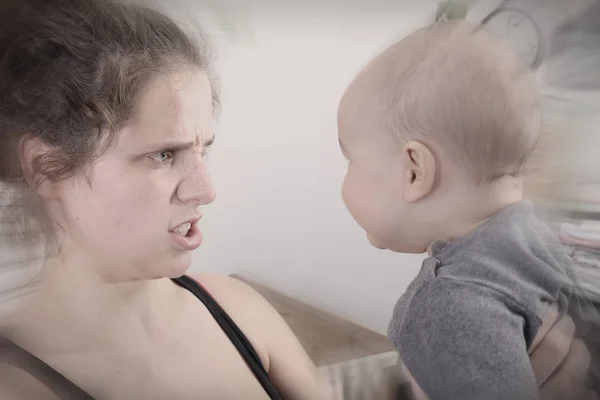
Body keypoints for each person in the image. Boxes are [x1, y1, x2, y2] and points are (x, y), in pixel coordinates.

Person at [0, 0, 592, 399]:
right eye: (163, 155)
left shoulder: (233, 308)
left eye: (205, 148)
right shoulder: (18, 381)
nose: (207, 188)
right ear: (47, 167)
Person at [336, 19, 599, 400]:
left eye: (349, 160)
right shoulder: (545, 249)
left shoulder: (446, 307)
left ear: (415, 172)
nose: (345, 175)